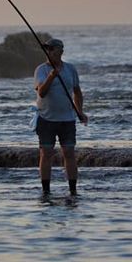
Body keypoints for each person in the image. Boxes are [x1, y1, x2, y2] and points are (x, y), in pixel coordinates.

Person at [34, 38, 87, 196]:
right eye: (47, 49)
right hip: (46, 119)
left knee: (69, 153)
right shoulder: (41, 70)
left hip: (67, 119)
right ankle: (46, 191)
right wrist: (51, 76)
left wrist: (80, 111)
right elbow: (41, 93)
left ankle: (72, 190)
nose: (48, 52)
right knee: (46, 153)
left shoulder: (70, 69)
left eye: (51, 49)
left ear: (60, 52)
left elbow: (77, 91)